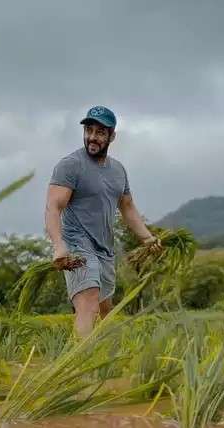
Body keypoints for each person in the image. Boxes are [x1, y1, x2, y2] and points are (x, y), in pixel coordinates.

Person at [45, 105, 161, 337]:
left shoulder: (118, 170)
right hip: (77, 244)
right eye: (89, 130)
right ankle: (78, 368)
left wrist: (148, 238)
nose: (92, 137)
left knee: (105, 310)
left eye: (100, 132)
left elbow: (127, 207)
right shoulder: (70, 165)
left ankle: (106, 360)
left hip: (104, 249)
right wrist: (59, 245)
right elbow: (53, 206)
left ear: (112, 136)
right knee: (88, 300)